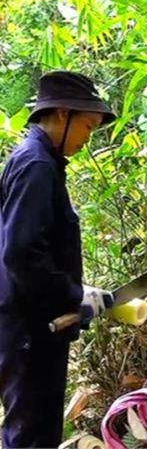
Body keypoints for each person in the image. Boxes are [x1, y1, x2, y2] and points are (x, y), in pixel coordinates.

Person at [0, 71, 117, 448]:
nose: (88, 138)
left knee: (35, 428)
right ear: (62, 115)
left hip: (34, 323)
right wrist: (71, 293)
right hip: (28, 329)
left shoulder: (40, 161)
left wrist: (75, 293)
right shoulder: (36, 166)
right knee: (31, 433)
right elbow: (20, 252)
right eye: (87, 126)